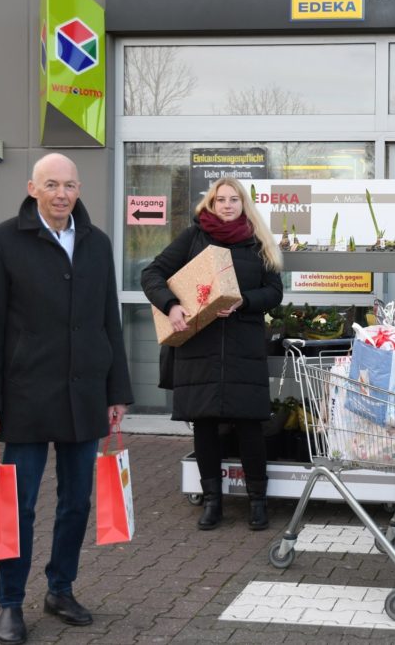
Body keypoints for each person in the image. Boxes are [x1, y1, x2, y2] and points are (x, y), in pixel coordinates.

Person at [0, 153, 133, 645]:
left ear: (79, 189)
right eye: (51, 185)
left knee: (77, 503)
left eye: (69, 185)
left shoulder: (97, 243)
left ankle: (60, 589)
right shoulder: (0, 243)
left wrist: (117, 390)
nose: (61, 194)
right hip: (25, 398)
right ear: (32, 188)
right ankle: (11, 602)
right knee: (18, 507)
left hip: (84, 396)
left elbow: (109, 320)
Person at [142, 177, 283, 533]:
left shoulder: (257, 243)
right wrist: (171, 305)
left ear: (243, 205)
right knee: (204, 424)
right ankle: (212, 501)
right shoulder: (193, 238)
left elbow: (274, 292)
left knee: (250, 423)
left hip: (243, 346)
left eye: (234, 199)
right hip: (199, 346)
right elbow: (152, 273)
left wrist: (244, 302)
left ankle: (257, 501)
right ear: (211, 203)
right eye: (221, 199)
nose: (227, 205)